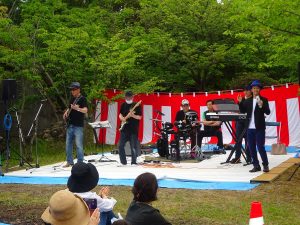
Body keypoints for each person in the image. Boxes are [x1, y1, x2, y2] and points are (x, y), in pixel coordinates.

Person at [238, 80, 270, 172]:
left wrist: (262, 106)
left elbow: (267, 112)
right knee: (251, 148)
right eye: (254, 88)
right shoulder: (247, 101)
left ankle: (265, 164)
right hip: (249, 128)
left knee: (260, 147)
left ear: (259, 89)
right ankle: (256, 165)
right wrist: (240, 103)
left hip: (259, 127)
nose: (255, 89)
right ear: (251, 90)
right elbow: (243, 111)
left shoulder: (264, 100)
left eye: (257, 88)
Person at [63, 82, 88, 167]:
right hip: (70, 124)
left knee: (78, 145)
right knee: (68, 144)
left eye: (73, 90)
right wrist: (66, 113)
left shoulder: (82, 99)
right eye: (71, 90)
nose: (72, 91)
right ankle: (69, 162)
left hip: (78, 125)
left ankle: (80, 163)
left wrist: (78, 109)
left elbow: (85, 110)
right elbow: (69, 108)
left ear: (78, 89)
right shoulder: (72, 99)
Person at [118, 91, 142, 165]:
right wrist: (122, 119)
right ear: (125, 97)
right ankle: (123, 162)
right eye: (127, 97)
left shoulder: (136, 105)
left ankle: (133, 162)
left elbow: (140, 117)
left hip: (133, 129)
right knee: (120, 145)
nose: (128, 98)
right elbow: (120, 114)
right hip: (124, 128)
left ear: (132, 97)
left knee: (133, 147)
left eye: (129, 97)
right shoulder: (123, 105)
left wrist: (132, 116)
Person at [230, 85, 252, 164]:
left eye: (247, 90)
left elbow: (248, 110)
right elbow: (238, 110)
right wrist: (239, 102)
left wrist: (241, 102)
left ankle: (249, 157)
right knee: (238, 139)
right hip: (240, 121)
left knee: (247, 139)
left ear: (251, 91)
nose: (245, 92)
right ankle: (237, 157)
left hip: (248, 121)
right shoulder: (242, 99)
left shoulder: (252, 100)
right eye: (244, 90)